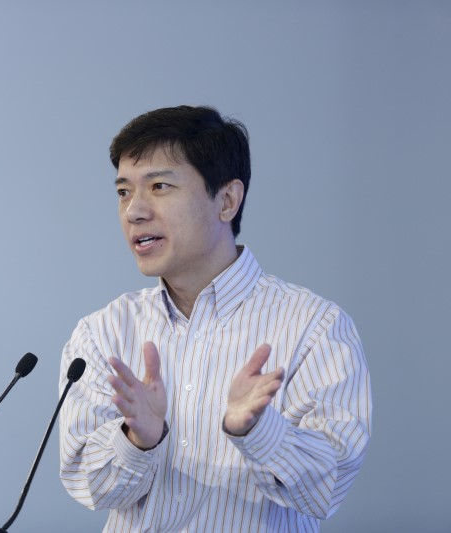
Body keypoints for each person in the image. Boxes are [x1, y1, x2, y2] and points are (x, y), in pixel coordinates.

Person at [58, 105, 371, 532]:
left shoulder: (315, 328)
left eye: (160, 186)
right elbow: (88, 484)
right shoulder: (102, 333)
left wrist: (260, 433)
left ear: (226, 200)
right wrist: (138, 441)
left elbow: (326, 487)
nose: (134, 211)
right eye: (123, 192)